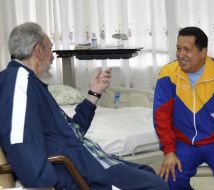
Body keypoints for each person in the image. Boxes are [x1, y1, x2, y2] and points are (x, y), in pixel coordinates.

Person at [0, 22, 168, 190]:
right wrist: (45, 184)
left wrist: (94, 93)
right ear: (38, 51)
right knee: (157, 186)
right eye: (50, 49)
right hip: (85, 174)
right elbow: (20, 141)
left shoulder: (32, 85)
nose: (52, 56)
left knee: (149, 173)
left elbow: (73, 132)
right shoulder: (17, 80)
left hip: (95, 162)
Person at [153, 26, 214, 190]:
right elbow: (161, 117)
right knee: (169, 180)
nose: (180, 55)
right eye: (178, 49)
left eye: (187, 50)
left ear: (203, 52)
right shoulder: (167, 74)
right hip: (184, 143)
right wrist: (169, 151)